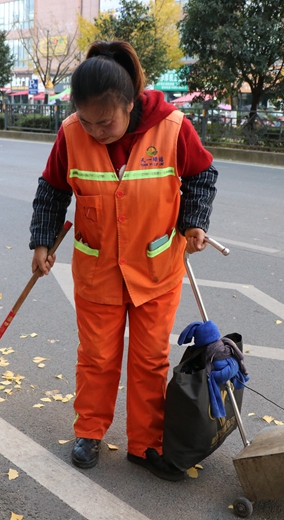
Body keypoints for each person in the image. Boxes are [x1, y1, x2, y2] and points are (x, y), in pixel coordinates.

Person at [29, 40, 218, 481]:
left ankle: (146, 443)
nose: (96, 131)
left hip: (157, 270)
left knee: (150, 359)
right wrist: (42, 242)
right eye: (87, 120)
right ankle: (89, 432)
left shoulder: (173, 127)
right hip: (98, 272)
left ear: (130, 103)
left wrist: (194, 221)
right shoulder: (71, 133)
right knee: (96, 358)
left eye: (105, 121)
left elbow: (201, 175)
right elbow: (52, 190)